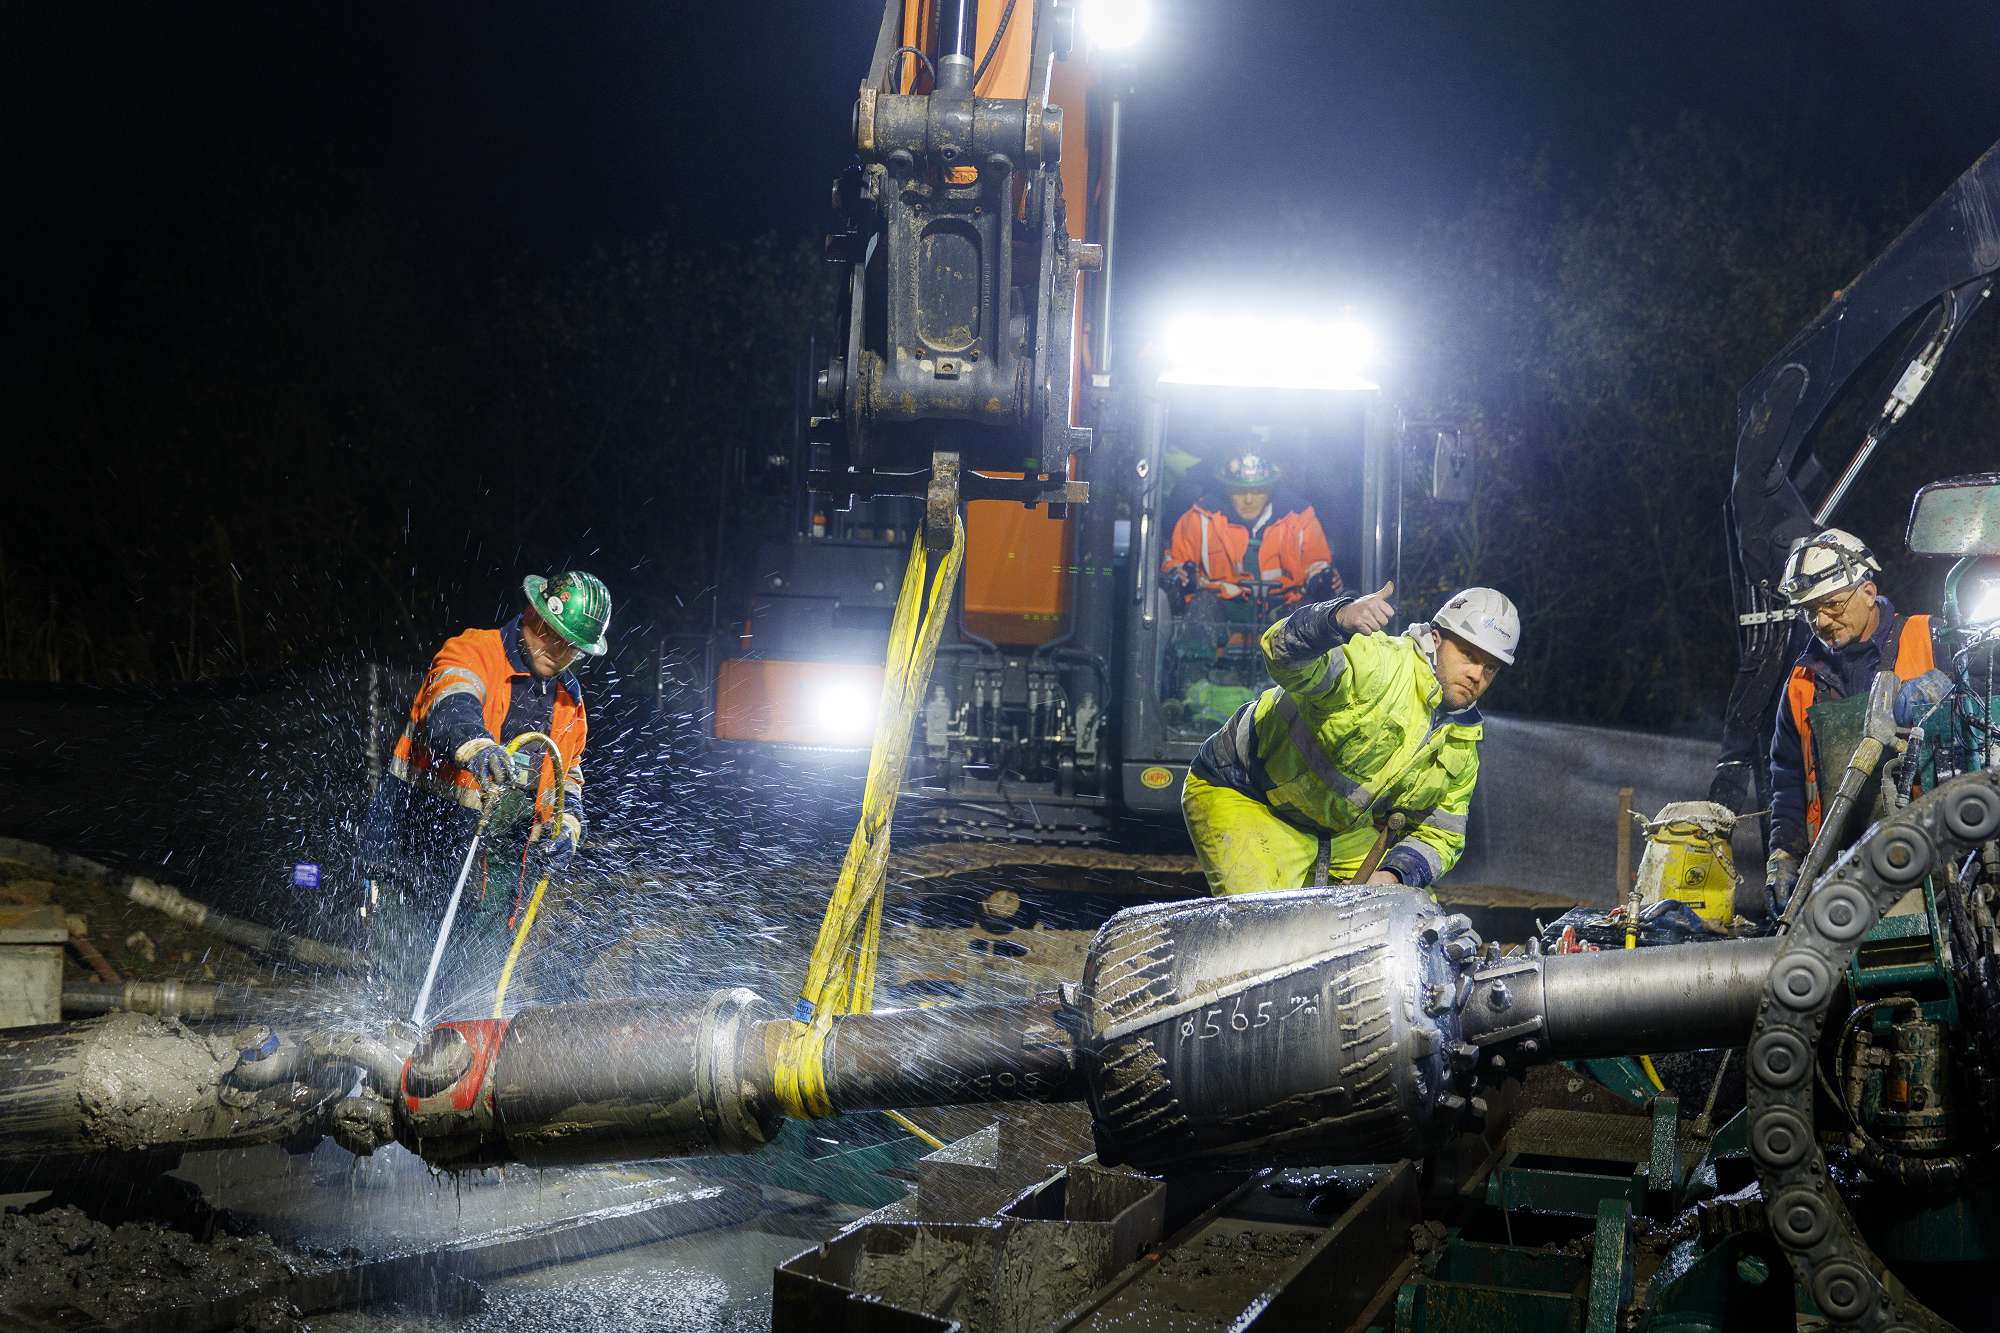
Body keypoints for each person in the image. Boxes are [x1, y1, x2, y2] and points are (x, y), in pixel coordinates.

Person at [358, 570, 610, 1014]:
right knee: (403, 974)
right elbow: (452, 703)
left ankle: (457, 1063)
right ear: (533, 612)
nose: (559, 651)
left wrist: (568, 824)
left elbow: (567, 772)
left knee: (474, 981)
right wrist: (477, 746)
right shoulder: (473, 651)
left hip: (498, 863)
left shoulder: (570, 700)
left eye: (571, 646)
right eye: (553, 636)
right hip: (416, 837)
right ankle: (382, 1063)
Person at [1180, 581, 1518, 896]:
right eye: (1469, 655)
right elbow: (1280, 655)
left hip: (1337, 829)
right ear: (1436, 638)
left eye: (1490, 668)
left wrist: (1392, 876)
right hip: (1249, 795)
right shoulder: (1376, 664)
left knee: (1412, 922)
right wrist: (1335, 619)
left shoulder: (1462, 743)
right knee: (1265, 934)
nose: (1477, 674)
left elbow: (1442, 836)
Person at [1764, 530, 1932, 909]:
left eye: (1833, 606)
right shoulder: (1802, 682)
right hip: (1839, 872)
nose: (1822, 621)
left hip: (1931, 858)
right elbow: (1788, 778)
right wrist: (1784, 857)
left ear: (1868, 593)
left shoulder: (1928, 639)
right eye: (1811, 611)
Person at [1164, 451, 1339, 609]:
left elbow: (1317, 563)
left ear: (1271, 487)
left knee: (1308, 618)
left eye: (1257, 490)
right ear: (1226, 487)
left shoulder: (1300, 519)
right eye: (1239, 491)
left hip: (1283, 612)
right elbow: (1174, 562)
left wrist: (1323, 579)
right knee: (1201, 608)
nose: (1248, 499)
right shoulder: (1199, 519)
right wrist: (1178, 574)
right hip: (1220, 611)